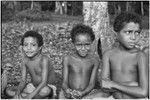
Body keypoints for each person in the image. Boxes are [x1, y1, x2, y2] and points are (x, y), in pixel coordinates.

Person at [101, 12, 148, 99]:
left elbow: (143, 92)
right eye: (128, 32)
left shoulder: (139, 56)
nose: (133, 37)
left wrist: (114, 84)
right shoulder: (108, 55)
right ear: (116, 33)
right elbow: (104, 86)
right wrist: (132, 85)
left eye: (137, 32)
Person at [59, 24, 110, 99]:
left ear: (91, 43)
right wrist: (67, 91)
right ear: (73, 43)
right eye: (79, 45)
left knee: (105, 94)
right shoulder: (68, 59)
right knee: (62, 95)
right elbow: (64, 82)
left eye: (87, 44)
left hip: (87, 93)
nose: (83, 48)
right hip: (69, 92)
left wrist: (82, 93)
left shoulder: (94, 60)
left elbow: (92, 84)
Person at [6, 31, 56, 99]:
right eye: (25, 45)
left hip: (46, 86)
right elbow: (23, 81)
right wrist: (17, 93)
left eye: (33, 45)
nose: (29, 48)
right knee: (8, 91)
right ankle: (25, 97)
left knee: (45, 91)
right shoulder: (25, 60)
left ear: (40, 47)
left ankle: (27, 97)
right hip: (32, 86)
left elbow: (44, 82)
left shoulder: (44, 59)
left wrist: (31, 95)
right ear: (22, 46)